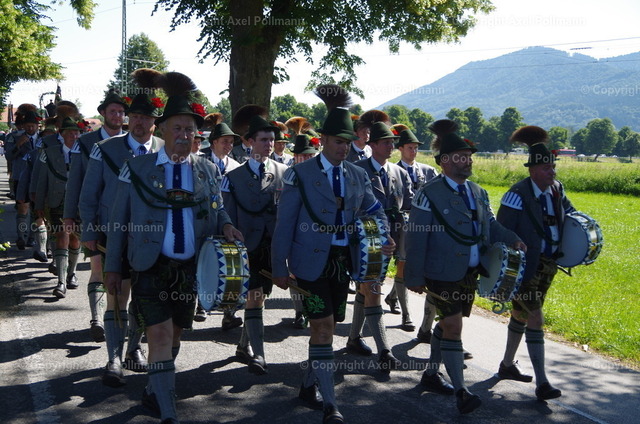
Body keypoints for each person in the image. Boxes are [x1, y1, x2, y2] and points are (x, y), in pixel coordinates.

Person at [104, 71, 242, 424]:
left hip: (190, 267)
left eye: (190, 129)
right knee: (160, 334)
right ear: (162, 129)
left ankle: (155, 388)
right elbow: (118, 220)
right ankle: (168, 410)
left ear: (197, 134)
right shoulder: (136, 168)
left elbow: (217, 207)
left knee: (176, 332)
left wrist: (227, 224)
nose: (184, 134)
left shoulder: (208, 170)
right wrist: (113, 267)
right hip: (149, 264)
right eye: (177, 128)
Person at [272, 85, 395, 424]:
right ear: (324, 139)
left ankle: (307, 386)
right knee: (323, 327)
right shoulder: (299, 174)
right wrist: (279, 266)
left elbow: (374, 210)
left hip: (343, 261)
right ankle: (331, 404)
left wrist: (383, 236)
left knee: (329, 325)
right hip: (309, 264)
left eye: (348, 141)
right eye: (338, 141)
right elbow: (284, 224)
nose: (344, 147)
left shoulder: (358, 174)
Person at [404, 131, 526, 414]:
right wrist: (414, 276)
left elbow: (491, 224)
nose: (468, 161)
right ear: (445, 161)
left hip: (470, 272)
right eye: (461, 157)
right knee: (454, 327)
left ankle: (431, 374)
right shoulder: (428, 194)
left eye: (469, 157)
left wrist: (512, 239)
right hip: (440, 272)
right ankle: (462, 391)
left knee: (447, 324)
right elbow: (415, 238)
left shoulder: (478, 192)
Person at [81, 74, 165, 386]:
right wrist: (89, 233)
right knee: (117, 294)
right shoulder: (104, 149)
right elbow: (88, 196)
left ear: (155, 122)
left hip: (151, 238)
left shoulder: (165, 149)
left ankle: (133, 349)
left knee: (143, 297)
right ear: (128, 118)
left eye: (146, 117)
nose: (140, 122)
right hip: (112, 234)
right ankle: (113, 358)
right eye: (135, 116)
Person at [495, 125, 575, 402]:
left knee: (520, 314)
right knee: (535, 317)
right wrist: (514, 245)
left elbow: (571, 214)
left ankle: (506, 365)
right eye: (546, 168)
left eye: (553, 167)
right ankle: (542, 382)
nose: (552, 172)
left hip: (549, 265)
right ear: (532, 170)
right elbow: (500, 230)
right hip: (524, 269)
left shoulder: (557, 189)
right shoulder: (516, 194)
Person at [221, 114, 288, 375]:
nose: (269, 144)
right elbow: (226, 215)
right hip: (245, 248)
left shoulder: (285, 173)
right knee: (254, 296)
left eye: (271, 139)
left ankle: (243, 346)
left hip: (272, 248)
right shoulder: (232, 176)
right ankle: (258, 354)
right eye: (263, 140)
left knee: (258, 299)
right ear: (250, 142)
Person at [64, 90, 129, 343]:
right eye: (113, 111)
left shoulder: (131, 141)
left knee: (126, 274)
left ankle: (117, 317)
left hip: (127, 221)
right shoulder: (86, 142)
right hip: (94, 217)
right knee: (98, 267)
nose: (117, 116)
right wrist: (69, 215)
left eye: (121, 112)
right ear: (103, 113)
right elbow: (75, 181)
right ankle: (97, 319)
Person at [347, 121, 412, 367]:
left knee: (367, 289)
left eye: (392, 143)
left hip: (393, 239)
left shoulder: (400, 173)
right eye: (385, 143)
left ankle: (354, 338)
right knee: (372, 288)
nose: (391, 147)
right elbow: (352, 208)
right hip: (366, 242)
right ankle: (384, 351)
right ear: (372, 145)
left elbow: (407, 206)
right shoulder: (357, 170)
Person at [383, 124, 438, 331]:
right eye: (410, 148)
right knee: (402, 265)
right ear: (401, 149)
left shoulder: (428, 171)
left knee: (415, 266)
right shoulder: (392, 170)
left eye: (416, 148)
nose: (414, 151)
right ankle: (406, 315)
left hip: (424, 227)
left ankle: (393, 296)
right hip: (400, 226)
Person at [192, 118, 243, 330]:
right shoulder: (199, 161)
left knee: (230, 267)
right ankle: (200, 305)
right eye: (225, 141)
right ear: (213, 142)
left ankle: (229, 312)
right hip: (204, 220)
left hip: (227, 221)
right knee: (202, 263)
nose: (229, 145)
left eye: (231, 142)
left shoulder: (236, 166)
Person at [34, 117, 83, 299]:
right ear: (62, 135)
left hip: (79, 203)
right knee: (62, 236)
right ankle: (61, 282)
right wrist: (39, 205)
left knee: (75, 239)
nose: (74, 136)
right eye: (70, 133)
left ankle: (72, 273)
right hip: (57, 201)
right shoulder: (49, 153)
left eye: (76, 133)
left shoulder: (86, 153)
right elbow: (41, 180)